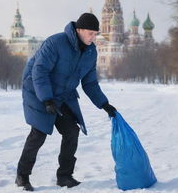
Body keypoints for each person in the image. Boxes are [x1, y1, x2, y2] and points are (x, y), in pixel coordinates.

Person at [15, 13, 117, 191]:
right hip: (38, 90)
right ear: (78, 30)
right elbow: (39, 71)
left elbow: (90, 82)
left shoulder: (91, 52)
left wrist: (104, 104)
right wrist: (46, 99)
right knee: (38, 134)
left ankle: (64, 176)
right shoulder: (56, 43)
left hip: (63, 95)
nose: (93, 38)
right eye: (90, 33)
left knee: (71, 131)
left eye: (95, 34)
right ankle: (22, 177)